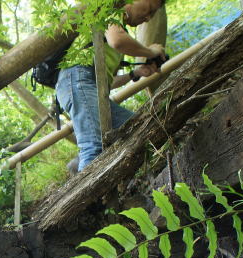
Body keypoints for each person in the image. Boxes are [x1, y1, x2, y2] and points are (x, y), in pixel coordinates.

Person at [56, 0, 166, 172]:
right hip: (76, 79)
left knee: (138, 128)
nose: (148, 17)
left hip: (88, 86)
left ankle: (77, 166)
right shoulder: (111, 10)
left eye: (152, 14)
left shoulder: (114, 33)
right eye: (149, 9)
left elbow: (109, 81)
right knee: (94, 147)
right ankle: (86, 186)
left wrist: (136, 73)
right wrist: (150, 51)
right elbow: (118, 41)